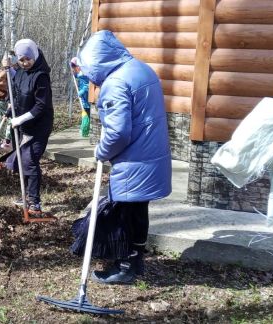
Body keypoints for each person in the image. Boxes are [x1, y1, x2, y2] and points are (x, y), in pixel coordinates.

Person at [75, 30, 172, 285]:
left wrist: (101, 151)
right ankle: (136, 260)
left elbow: (118, 133)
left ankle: (125, 266)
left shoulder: (115, 83)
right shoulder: (141, 69)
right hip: (151, 155)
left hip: (135, 160)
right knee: (138, 211)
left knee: (125, 214)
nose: (87, 74)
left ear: (97, 62)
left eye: (88, 68)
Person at [2, 39, 54, 214]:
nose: (24, 63)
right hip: (23, 124)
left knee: (29, 160)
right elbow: (17, 93)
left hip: (39, 126)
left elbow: (41, 106)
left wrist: (21, 119)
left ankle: (35, 203)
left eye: (27, 59)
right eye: (21, 60)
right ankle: (26, 196)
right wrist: (11, 110)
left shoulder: (41, 77)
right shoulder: (22, 72)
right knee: (21, 160)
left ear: (35, 55)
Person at [70, 57, 91, 137]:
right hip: (84, 97)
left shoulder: (85, 73)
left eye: (74, 67)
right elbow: (77, 76)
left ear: (78, 66)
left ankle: (85, 129)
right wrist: (74, 74)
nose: (74, 69)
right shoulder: (79, 73)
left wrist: (82, 92)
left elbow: (88, 85)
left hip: (87, 96)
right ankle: (84, 129)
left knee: (87, 111)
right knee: (85, 111)